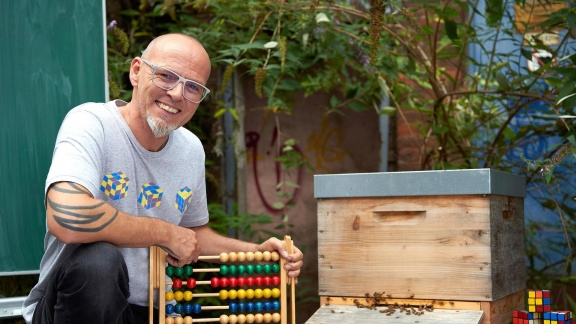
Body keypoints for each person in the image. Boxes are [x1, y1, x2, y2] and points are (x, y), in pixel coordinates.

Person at [22, 33, 304, 324]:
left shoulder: (191, 149)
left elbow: (192, 238)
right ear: (136, 72)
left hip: (156, 313)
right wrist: (165, 233)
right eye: (166, 76)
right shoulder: (91, 123)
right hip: (75, 308)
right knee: (99, 262)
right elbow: (66, 217)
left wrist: (256, 253)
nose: (178, 94)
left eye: (193, 87)